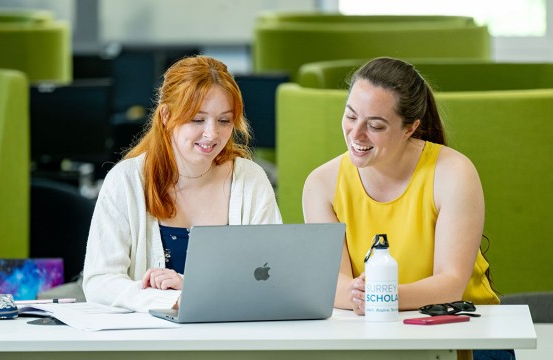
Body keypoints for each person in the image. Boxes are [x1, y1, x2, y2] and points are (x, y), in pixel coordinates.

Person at [82, 55, 282, 313]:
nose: (211, 134)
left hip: (231, 339)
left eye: (224, 120)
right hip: (150, 344)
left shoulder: (249, 180)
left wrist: (189, 286)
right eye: (197, 120)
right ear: (166, 116)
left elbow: (272, 274)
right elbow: (99, 282)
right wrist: (168, 300)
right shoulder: (126, 180)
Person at [302, 57, 500, 313]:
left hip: (464, 323)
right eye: (351, 116)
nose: (356, 133)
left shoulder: (453, 173)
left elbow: (451, 284)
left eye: (375, 125)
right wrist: (362, 296)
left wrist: (380, 297)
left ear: (410, 128)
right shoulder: (321, 184)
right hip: (370, 327)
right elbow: (332, 284)